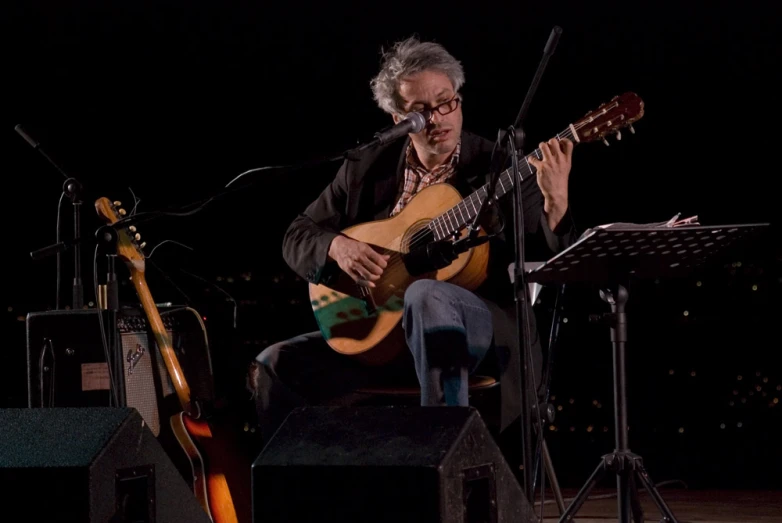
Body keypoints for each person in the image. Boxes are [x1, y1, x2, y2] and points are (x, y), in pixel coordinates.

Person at [249, 35, 577, 444]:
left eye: (446, 102)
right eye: (420, 112)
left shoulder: (499, 168)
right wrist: (338, 246)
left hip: (474, 332)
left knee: (425, 294)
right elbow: (297, 235)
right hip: (384, 336)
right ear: (396, 118)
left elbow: (556, 260)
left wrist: (556, 203)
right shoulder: (365, 168)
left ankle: (442, 467)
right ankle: (308, 496)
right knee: (274, 364)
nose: (438, 118)